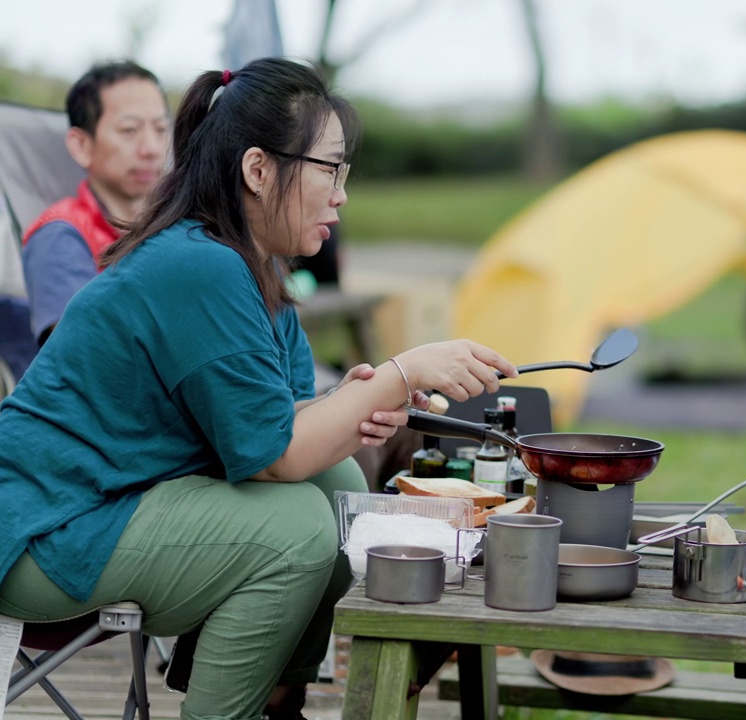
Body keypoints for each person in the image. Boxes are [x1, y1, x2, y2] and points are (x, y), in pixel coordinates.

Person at [0, 57, 519, 720]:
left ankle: (280, 701)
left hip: (118, 500)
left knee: (339, 493)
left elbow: (282, 422)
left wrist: (357, 403)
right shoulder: (199, 265)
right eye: (329, 169)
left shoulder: (253, 267)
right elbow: (277, 456)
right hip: (46, 527)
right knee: (300, 527)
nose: (342, 194)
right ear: (257, 170)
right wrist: (401, 371)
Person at [21, 60, 169, 346]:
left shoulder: (177, 225)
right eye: (129, 130)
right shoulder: (60, 235)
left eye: (161, 129)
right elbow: (85, 354)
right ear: (82, 146)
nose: (151, 148)